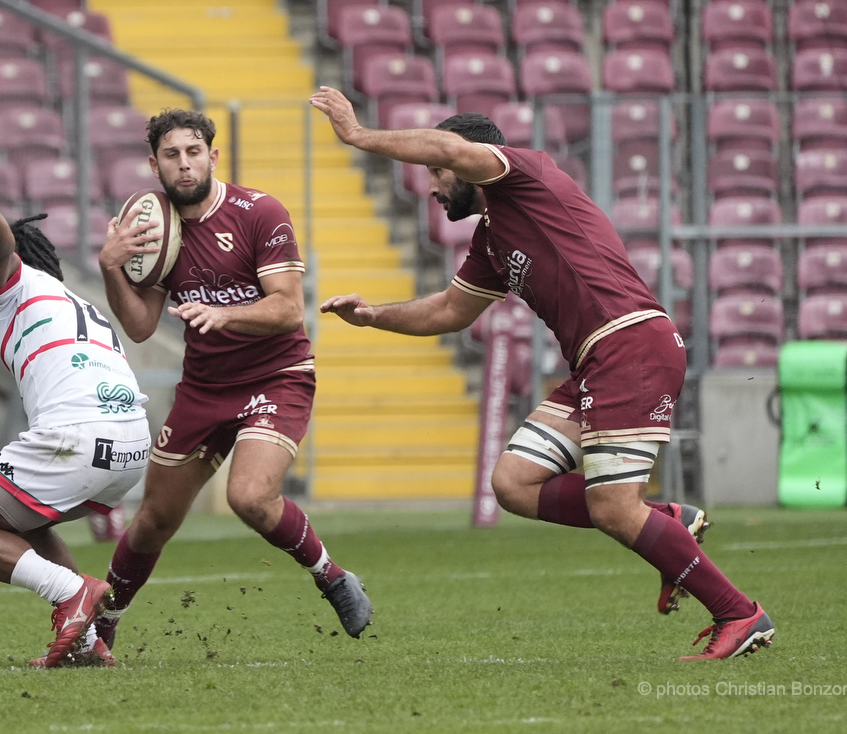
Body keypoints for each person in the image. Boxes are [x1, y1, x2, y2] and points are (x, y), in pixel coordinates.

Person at [310, 86, 774, 661]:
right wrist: (373, 316)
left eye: (437, 172)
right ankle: (667, 522)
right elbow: (450, 311)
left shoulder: (523, 174)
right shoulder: (491, 237)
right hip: (599, 361)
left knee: (613, 508)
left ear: (467, 160)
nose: (431, 186)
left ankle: (739, 612)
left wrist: (357, 135)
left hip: (630, 344)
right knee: (513, 484)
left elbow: (447, 148)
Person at [95, 109, 373, 647]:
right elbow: (140, 327)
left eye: (193, 152)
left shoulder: (259, 212)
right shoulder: (156, 229)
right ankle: (100, 629)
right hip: (204, 389)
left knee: (249, 497)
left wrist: (224, 315)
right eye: (171, 155)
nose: (184, 164)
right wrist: (111, 267)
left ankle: (333, 577)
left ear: (213, 156)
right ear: (154, 165)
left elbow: (289, 309)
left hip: (276, 376)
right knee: (153, 520)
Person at [0, 158, 155, 668]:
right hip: (131, 448)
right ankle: (90, 644)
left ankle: (73, 593)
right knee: (18, 520)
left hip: (76, 438)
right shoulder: (77, 304)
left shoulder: (11, 288)